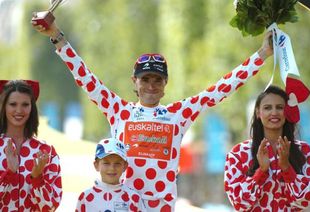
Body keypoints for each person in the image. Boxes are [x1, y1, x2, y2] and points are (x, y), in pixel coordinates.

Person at [32, 16, 273, 211]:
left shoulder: (179, 113)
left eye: (157, 79)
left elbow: (223, 87)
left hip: (165, 207)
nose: (151, 85)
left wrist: (262, 54)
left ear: (165, 83)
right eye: (145, 79)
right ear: (134, 82)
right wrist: (55, 35)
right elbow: (85, 77)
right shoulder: (118, 110)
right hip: (124, 204)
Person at [224, 85, 310, 211]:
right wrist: (261, 171)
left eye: (279, 107)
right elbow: (239, 202)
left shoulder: (304, 151)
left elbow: (307, 199)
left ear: (287, 112)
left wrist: (286, 168)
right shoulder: (238, 153)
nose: (274, 112)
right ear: (258, 112)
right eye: (267, 108)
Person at [0, 80, 62, 211]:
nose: (19, 110)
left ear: (32, 108)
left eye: (25, 105)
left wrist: (37, 178)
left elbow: (49, 207)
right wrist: (9, 173)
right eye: (12, 104)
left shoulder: (46, 151)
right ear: (3, 106)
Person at [76, 137, 146, 212]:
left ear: (125, 166)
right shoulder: (85, 197)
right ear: (96, 165)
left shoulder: (133, 198)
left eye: (117, 163)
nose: (112, 168)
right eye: (106, 163)